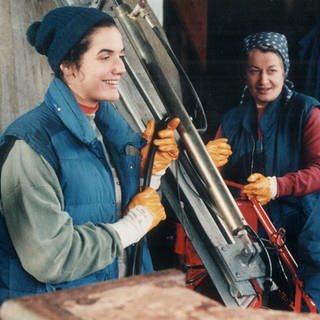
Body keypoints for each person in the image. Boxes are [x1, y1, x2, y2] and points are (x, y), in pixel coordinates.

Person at [0, 6, 180, 302]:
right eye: (105, 56)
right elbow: (50, 257)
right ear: (68, 66)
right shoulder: (31, 144)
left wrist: (153, 171)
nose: (120, 67)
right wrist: (134, 225)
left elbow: (128, 207)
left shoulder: (112, 135)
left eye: (120, 55)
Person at [206, 31, 320, 310]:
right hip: (250, 236)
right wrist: (211, 164)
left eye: (272, 70)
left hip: (304, 234)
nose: (263, 80)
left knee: (306, 307)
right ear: (245, 73)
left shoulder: (306, 111)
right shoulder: (233, 119)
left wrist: (277, 186)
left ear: (285, 70)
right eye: (255, 71)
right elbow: (216, 184)